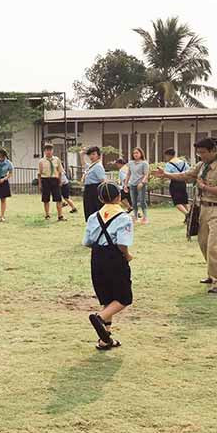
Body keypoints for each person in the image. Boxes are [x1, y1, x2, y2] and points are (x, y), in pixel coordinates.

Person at [154, 137, 217, 293]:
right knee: (203, 243)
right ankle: (211, 274)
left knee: (214, 247)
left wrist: (204, 186)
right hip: (202, 208)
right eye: (198, 152)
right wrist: (167, 175)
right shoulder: (202, 165)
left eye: (203, 152)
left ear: (212, 151)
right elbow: (185, 175)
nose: (200, 155)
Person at [83, 182, 133, 350]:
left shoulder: (93, 217)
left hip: (96, 256)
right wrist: (127, 256)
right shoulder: (124, 217)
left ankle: (105, 339)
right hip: (115, 257)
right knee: (124, 298)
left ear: (99, 198)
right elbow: (122, 244)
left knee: (107, 298)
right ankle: (99, 317)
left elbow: (87, 242)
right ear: (119, 197)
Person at [37, 143, 65, 221]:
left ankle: (60, 216)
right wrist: (39, 184)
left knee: (58, 198)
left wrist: (60, 181)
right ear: (44, 151)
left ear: (52, 151)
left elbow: (60, 171)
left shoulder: (57, 159)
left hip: (55, 180)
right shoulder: (41, 161)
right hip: (45, 180)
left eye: (50, 150)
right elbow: (39, 174)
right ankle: (47, 215)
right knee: (46, 199)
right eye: (47, 150)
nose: (48, 152)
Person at [80, 146, 107, 221]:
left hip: (94, 190)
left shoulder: (98, 166)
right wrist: (82, 155)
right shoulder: (92, 165)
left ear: (98, 155)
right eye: (90, 154)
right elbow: (84, 165)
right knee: (89, 209)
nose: (91, 156)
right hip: (88, 190)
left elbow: (103, 180)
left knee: (94, 211)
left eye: (94, 154)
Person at [124, 147, 150, 224]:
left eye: (137, 153)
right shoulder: (130, 163)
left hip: (141, 185)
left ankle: (145, 218)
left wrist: (142, 183)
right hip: (132, 184)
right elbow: (128, 174)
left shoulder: (144, 163)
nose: (135, 154)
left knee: (142, 201)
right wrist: (125, 184)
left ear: (141, 154)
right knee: (133, 202)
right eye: (134, 153)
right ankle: (135, 217)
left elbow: (146, 174)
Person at [163, 148, 190, 217]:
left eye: (165, 156)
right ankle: (190, 214)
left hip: (174, 183)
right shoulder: (184, 163)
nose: (165, 158)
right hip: (183, 183)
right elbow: (189, 172)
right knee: (184, 201)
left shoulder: (169, 164)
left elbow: (166, 175)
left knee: (177, 202)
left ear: (168, 155)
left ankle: (187, 214)